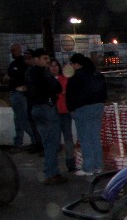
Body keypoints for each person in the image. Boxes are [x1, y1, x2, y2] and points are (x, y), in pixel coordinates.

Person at [25, 49, 66, 184]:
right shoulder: (43, 73)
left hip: (37, 108)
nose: (47, 61)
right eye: (44, 58)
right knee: (52, 142)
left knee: (48, 142)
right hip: (46, 108)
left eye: (47, 58)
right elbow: (56, 87)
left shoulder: (30, 72)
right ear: (36, 59)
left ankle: (51, 171)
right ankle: (51, 173)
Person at [66, 53, 107, 176]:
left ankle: (88, 167)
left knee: (85, 138)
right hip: (98, 107)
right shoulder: (97, 75)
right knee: (95, 137)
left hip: (82, 108)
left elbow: (70, 95)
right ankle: (98, 166)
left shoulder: (75, 77)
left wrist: (71, 109)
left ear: (76, 64)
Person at [4, 44, 40, 153]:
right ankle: (22, 142)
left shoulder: (23, 65)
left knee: (22, 119)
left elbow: (13, 76)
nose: (12, 52)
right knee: (19, 119)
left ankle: (34, 141)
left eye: (14, 50)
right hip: (16, 94)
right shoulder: (15, 64)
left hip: (19, 95)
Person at [49, 58, 76, 172]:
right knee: (54, 139)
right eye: (52, 66)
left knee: (68, 138)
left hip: (64, 111)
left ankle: (70, 161)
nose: (54, 68)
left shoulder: (64, 79)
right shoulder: (47, 80)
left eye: (56, 65)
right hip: (52, 112)